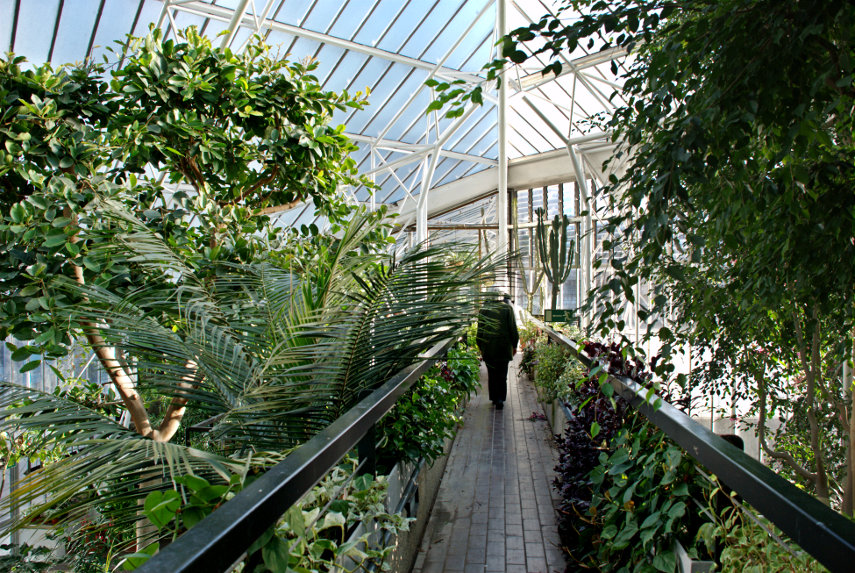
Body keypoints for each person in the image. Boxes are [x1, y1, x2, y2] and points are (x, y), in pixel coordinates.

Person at [476, 292, 519, 409]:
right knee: (502, 373)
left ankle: (494, 398)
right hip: (504, 347)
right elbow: (513, 328)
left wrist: (480, 346)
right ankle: (500, 398)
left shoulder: (484, 309)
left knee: (492, 373)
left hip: (489, 347)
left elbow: (480, 331)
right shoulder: (507, 309)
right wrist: (515, 345)